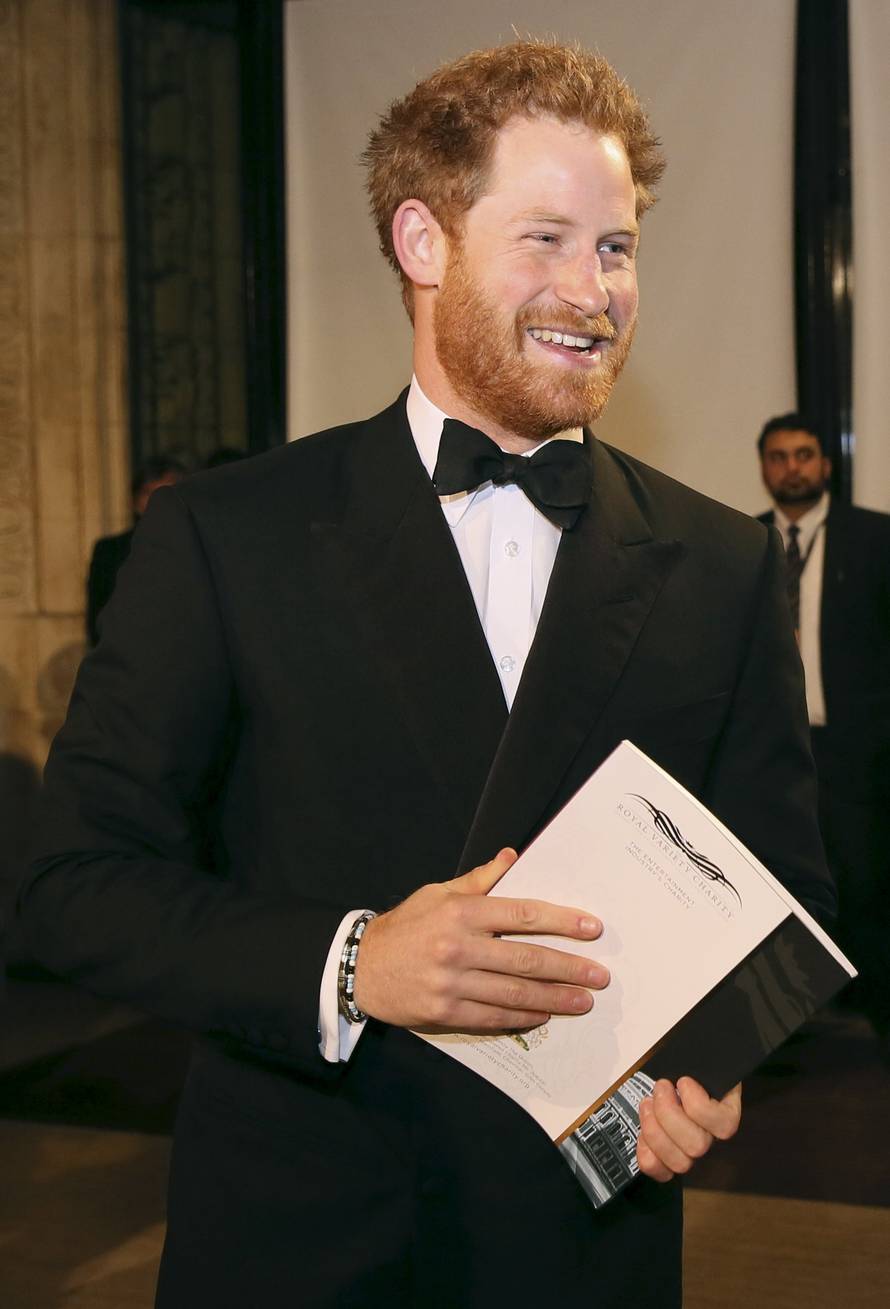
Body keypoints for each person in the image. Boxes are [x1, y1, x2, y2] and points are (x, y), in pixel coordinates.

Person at [19, 42, 833, 1309]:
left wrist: (704, 1070)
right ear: (421, 240)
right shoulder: (228, 537)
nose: (595, 289)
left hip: (579, 1252)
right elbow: (69, 884)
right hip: (300, 1243)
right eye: (546, 239)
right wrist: (350, 966)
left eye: (615, 248)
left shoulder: (721, 564)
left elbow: (777, 894)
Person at [758, 413, 890, 1042]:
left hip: (858, 753)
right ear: (764, 467)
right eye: (779, 456)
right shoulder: (742, 541)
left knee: (867, 887)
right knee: (779, 896)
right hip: (773, 752)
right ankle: (788, 1041)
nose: (793, 467)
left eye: (804, 454)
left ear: (825, 464)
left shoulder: (875, 539)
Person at [85, 455, 187, 645]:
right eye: (148, 493)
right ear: (135, 501)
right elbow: (98, 617)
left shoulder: (195, 546)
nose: (156, 502)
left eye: (166, 492)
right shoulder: (110, 551)